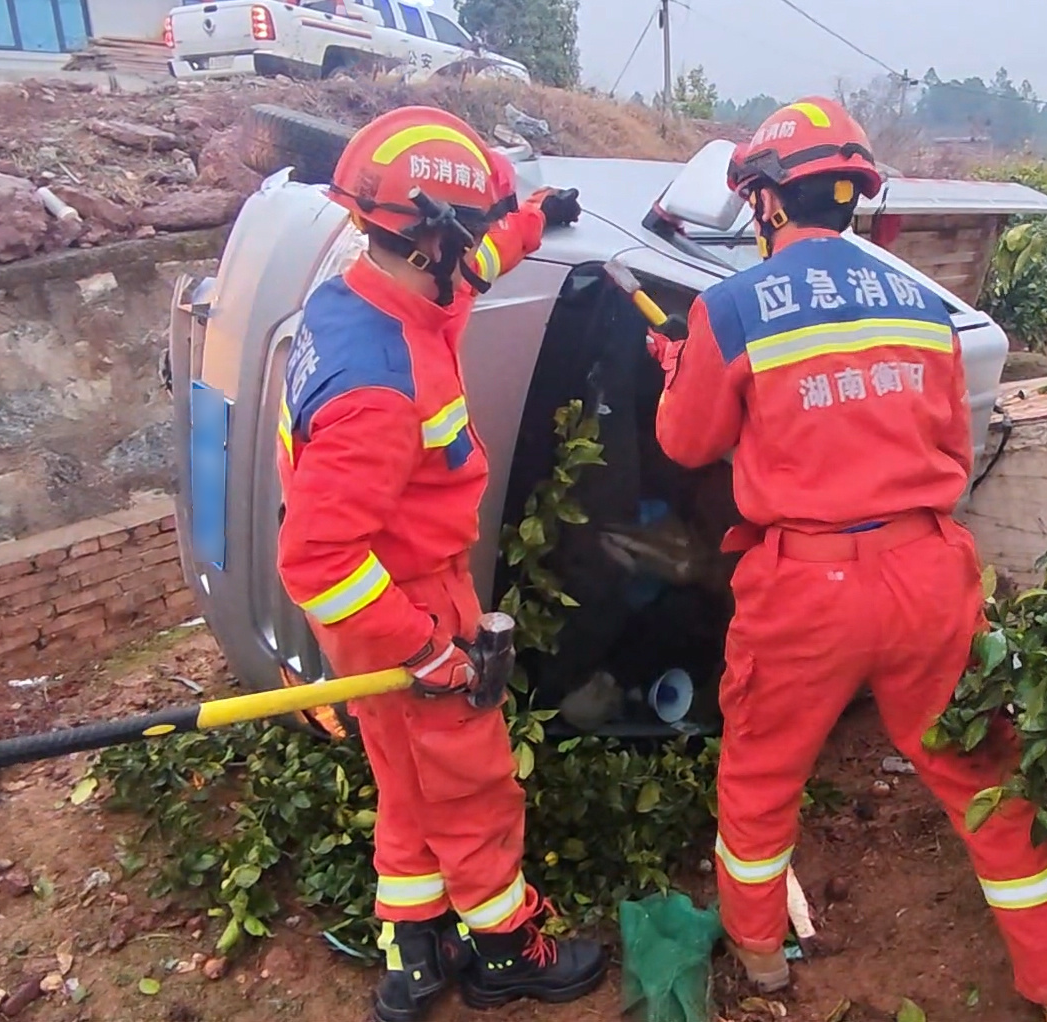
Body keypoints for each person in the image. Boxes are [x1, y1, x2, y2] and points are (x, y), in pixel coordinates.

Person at [646, 97, 1047, 1022]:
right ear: (850, 195)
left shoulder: (731, 310)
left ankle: (763, 959)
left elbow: (690, 445)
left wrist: (680, 366)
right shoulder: (922, 303)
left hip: (806, 587)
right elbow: (951, 441)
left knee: (763, 778)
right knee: (984, 781)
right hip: (932, 573)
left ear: (767, 203)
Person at [274, 106, 607, 1022]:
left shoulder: (368, 296)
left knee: (407, 781)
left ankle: (411, 954)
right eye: (471, 236)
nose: (477, 256)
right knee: (472, 784)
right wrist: (426, 649)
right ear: (432, 240)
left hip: (370, 613)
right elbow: (317, 556)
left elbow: (476, 269)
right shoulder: (379, 389)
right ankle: (505, 950)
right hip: (400, 604)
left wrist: (532, 216)